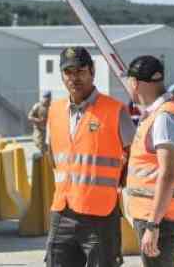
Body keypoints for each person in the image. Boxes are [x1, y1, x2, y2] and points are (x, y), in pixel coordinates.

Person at [45, 46, 136, 267]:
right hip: (63, 211)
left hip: (101, 214)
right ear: (62, 76)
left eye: (80, 71)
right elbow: (53, 156)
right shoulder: (55, 111)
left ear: (92, 71)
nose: (74, 78)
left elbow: (134, 157)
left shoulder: (115, 110)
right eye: (68, 72)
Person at [124, 56, 174, 267]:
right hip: (160, 217)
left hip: (161, 220)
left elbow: (168, 173)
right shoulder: (159, 114)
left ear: (135, 83)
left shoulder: (163, 117)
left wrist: (152, 225)